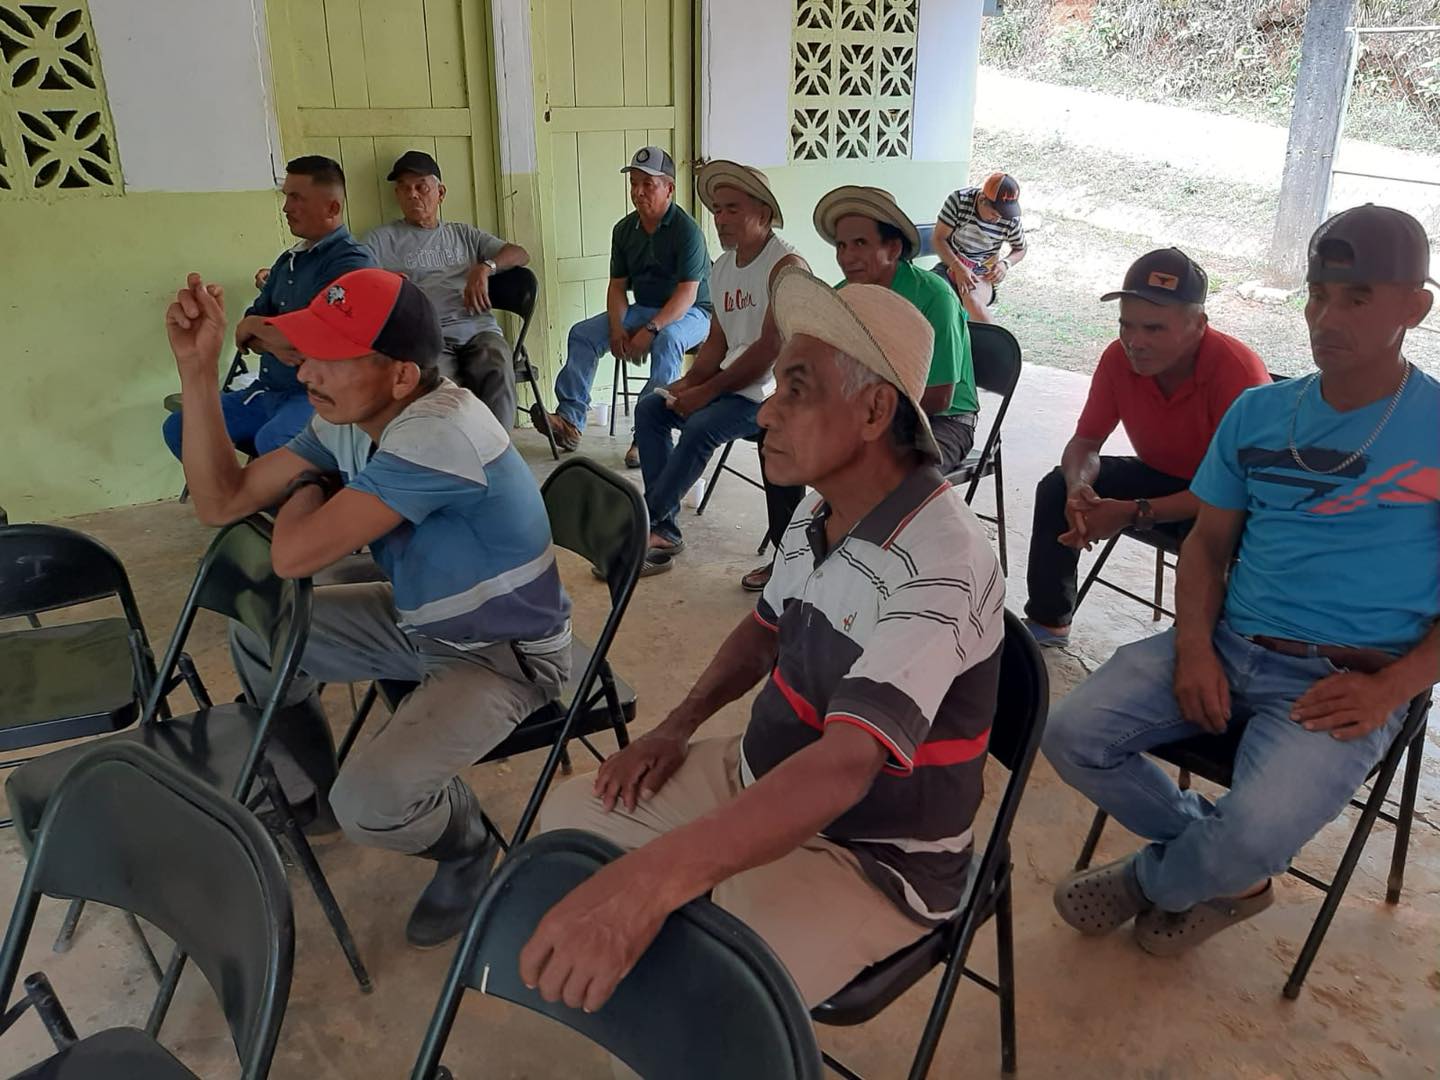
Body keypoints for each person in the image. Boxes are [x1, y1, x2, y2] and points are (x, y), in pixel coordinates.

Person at [518, 267, 1005, 1012]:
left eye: (796, 390)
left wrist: (651, 882)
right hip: (755, 776)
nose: (767, 413)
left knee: (695, 1005)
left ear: (874, 411)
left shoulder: (943, 561)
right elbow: (762, 633)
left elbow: (844, 768)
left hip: (867, 855)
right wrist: (675, 728)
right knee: (567, 831)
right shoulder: (820, 514)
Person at [1044, 205, 1439, 957]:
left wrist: (1391, 690)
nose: (1327, 317)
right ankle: (1225, 871)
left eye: (1357, 299)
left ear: (1414, 309)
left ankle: (1155, 880)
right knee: (1070, 734)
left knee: (1256, 829)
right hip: (1228, 641)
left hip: (1346, 680)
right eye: (1318, 294)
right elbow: (1206, 544)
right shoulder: (1260, 413)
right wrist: (1195, 646)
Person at [163, 266, 571, 949]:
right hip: (421, 620)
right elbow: (221, 502)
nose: (306, 373)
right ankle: (311, 790)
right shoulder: (351, 416)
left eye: (332, 358)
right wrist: (198, 371)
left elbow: (293, 555)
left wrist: (307, 486)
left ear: (402, 376)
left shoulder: (439, 432)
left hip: (501, 655)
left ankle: (468, 845)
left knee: (371, 804)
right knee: (263, 635)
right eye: (308, 353)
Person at [737, 185, 982, 594]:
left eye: (860, 244)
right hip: (863, 410)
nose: (847, 256)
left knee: (889, 473)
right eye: (841, 245)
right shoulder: (843, 298)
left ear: (893, 248)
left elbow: (940, 394)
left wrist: (856, 416)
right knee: (779, 436)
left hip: (942, 417)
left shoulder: (933, 295)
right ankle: (789, 559)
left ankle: (875, 582)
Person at [1023, 249, 1270, 647]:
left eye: (1154, 329)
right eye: (1126, 325)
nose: (1135, 342)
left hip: (1233, 501)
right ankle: (1049, 621)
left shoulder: (1238, 375)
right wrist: (1078, 487)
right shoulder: (1117, 358)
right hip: (1163, 474)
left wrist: (1132, 512)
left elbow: (1237, 491)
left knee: (1207, 539)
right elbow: (1085, 442)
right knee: (1056, 487)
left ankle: (1197, 646)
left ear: (1198, 325)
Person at [631, 160, 807, 576]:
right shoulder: (724, 267)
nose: (720, 219)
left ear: (763, 213)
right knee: (651, 408)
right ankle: (664, 530)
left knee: (700, 426)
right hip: (733, 386)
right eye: (717, 209)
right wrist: (689, 382)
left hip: (773, 393)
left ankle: (641, 525)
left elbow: (769, 349)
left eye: (732, 209)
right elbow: (718, 340)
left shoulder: (786, 266)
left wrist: (704, 393)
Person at [162, 156, 374, 460]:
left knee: (275, 441)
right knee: (181, 427)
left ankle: (263, 488)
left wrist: (259, 330)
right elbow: (246, 331)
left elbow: (317, 340)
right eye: (286, 196)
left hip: (318, 396)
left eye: (296, 197)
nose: (286, 207)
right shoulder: (289, 260)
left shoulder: (351, 264)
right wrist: (263, 335)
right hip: (268, 391)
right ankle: (232, 492)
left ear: (332, 208)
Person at [532, 146, 712, 465]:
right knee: (583, 334)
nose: (638, 192)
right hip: (646, 307)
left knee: (668, 340)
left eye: (648, 184)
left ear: (669, 188)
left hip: (692, 312)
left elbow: (686, 294)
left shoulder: (687, 231)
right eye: (634, 184)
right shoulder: (625, 230)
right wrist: (617, 329)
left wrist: (651, 329)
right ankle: (570, 420)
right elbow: (617, 286)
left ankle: (648, 435)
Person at [364, 150, 532, 428]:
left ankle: (499, 449)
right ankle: (454, 450)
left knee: (497, 364)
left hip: (477, 330)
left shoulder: (463, 235)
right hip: (426, 337)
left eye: (421, 187)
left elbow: (520, 254)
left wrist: (485, 267)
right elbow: (353, 278)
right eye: (404, 188)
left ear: (440, 193)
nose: (412, 194)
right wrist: (385, 283)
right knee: (440, 392)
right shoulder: (381, 240)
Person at [932, 171, 1027, 325]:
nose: (998, 219)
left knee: (972, 300)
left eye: (1003, 215)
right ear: (982, 199)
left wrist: (1005, 264)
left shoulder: (1010, 218)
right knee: (930, 294)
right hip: (950, 265)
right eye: (994, 214)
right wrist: (958, 267)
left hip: (981, 273)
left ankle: (994, 340)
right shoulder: (959, 201)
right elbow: (938, 239)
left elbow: (1020, 249)